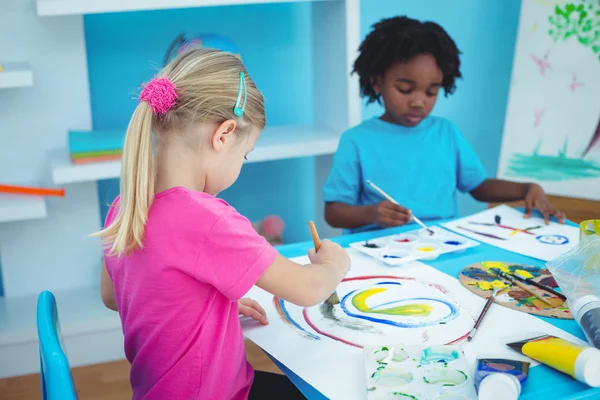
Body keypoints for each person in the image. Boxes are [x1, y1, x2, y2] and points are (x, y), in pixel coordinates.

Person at [96, 48, 350, 400]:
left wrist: (208, 309)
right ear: (224, 135)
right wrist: (334, 265)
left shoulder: (127, 205)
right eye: (244, 155)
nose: (241, 164)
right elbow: (307, 289)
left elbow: (114, 297)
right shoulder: (207, 219)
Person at [323, 16, 566, 234]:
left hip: (439, 245)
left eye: (431, 91)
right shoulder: (356, 141)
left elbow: (478, 187)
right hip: (379, 251)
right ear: (377, 82)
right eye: (405, 89)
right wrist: (372, 213)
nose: (419, 102)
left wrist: (527, 188)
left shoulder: (446, 133)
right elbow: (333, 213)